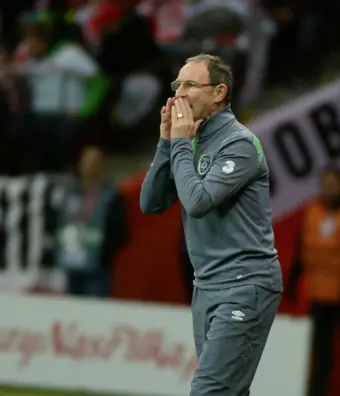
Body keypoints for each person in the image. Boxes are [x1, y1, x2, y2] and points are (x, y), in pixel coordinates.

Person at [139, 54, 283, 396]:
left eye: (190, 85)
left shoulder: (240, 143)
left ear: (219, 92)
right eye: (177, 85)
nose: (178, 95)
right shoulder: (192, 140)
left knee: (209, 392)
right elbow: (150, 203)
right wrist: (165, 143)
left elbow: (198, 202)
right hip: (206, 285)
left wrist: (181, 144)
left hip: (245, 283)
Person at [286, 165, 340, 396]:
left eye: (334, 183)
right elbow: (301, 249)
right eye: (326, 184)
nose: (330, 188)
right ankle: (316, 391)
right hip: (318, 290)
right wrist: (292, 280)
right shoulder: (313, 211)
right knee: (319, 349)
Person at [55, 145, 128, 297]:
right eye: (88, 162)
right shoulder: (69, 192)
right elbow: (60, 223)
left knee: (95, 312)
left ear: (102, 166)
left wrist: (104, 251)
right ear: (80, 164)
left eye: (95, 163)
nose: (91, 167)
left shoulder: (110, 196)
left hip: (97, 267)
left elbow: (121, 230)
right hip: (71, 262)